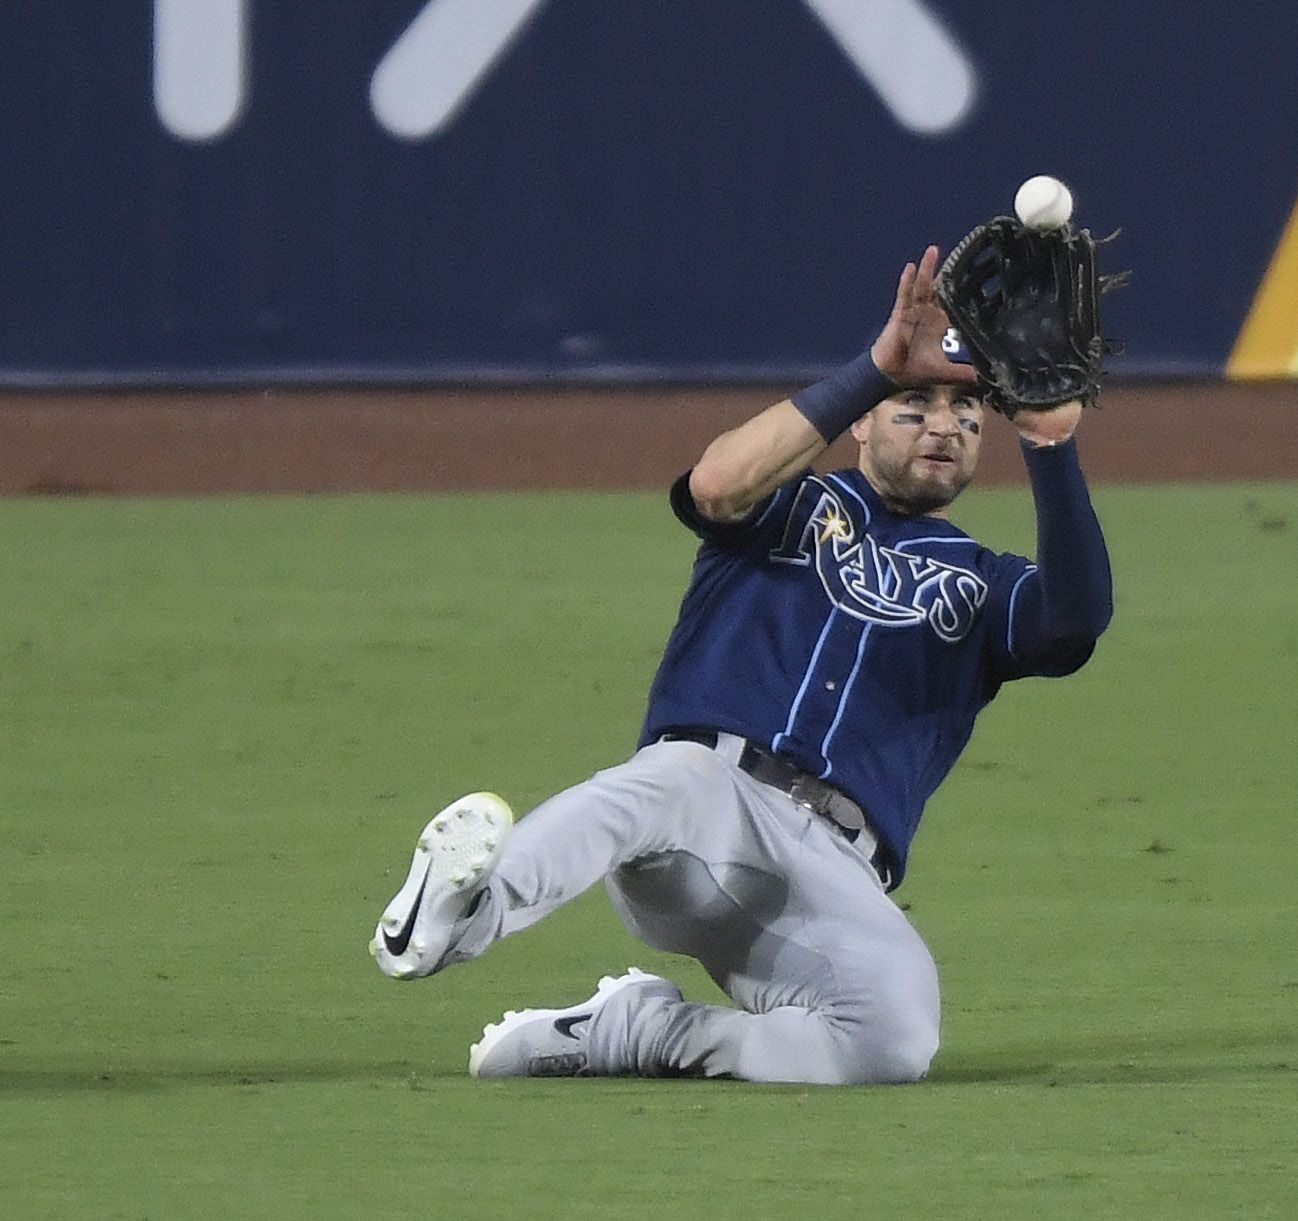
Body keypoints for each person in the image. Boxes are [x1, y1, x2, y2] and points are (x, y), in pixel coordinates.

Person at [371, 244, 1114, 1085]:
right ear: (864, 417)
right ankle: (466, 910)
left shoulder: (987, 582)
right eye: (915, 400)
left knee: (895, 1039)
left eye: (968, 405)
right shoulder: (791, 499)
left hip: (830, 876)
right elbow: (714, 483)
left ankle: (641, 1031)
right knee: (668, 777)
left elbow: (1075, 623)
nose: (945, 423)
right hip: (704, 813)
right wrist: (872, 366)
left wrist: (1051, 445)